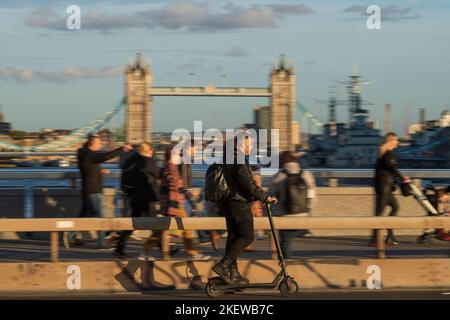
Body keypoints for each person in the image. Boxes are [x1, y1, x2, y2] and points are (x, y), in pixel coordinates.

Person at [212, 130, 277, 285]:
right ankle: (224, 265)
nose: (252, 145)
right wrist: (265, 197)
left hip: (228, 203)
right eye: (250, 142)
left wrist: (256, 195)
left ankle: (233, 273)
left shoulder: (228, 157)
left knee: (234, 237)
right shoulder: (238, 158)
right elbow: (248, 184)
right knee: (248, 237)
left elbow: (239, 184)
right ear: (243, 143)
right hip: (238, 204)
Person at [76, 134, 132, 249]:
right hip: (94, 189)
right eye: (99, 143)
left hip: (88, 188)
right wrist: (120, 149)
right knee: (100, 216)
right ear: (93, 144)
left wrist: (99, 171)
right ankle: (101, 242)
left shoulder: (84, 154)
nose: (100, 145)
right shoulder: (90, 154)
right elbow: (104, 157)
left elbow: (89, 168)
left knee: (87, 215)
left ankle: (71, 234)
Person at [157, 145, 210, 261]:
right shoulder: (171, 169)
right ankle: (192, 252)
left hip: (174, 202)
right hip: (175, 203)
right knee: (184, 227)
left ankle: (189, 252)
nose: (180, 157)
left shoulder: (169, 167)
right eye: (178, 155)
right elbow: (172, 189)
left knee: (176, 228)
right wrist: (173, 206)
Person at [114, 142, 161, 258]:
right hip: (147, 197)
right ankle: (164, 248)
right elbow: (159, 173)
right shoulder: (147, 161)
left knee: (133, 223)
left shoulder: (131, 160)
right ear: (147, 151)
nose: (152, 152)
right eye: (151, 150)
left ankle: (119, 247)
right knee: (155, 223)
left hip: (134, 196)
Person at [269, 151, 316, 259]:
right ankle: (287, 263)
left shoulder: (278, 176)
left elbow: (271, 198)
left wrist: (274, 213)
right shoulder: (306, 174)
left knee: (284, 241)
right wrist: (307, 211)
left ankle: (287, 265)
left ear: (282, 161)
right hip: (303, 214)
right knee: (287, 240)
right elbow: (312, 196)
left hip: (286, 215)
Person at [371, 132, 410, 246]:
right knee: (380, 214)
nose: (397, 142)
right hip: (384, 187)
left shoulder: (383, 154)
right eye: (396, 140)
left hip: (384, 187)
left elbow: (390, 170)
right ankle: (377, 240)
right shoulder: (388, 154)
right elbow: (393, 168)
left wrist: (401, 178)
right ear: (391, 141)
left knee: (394, 208)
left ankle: (389, 237)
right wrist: (403, 179)